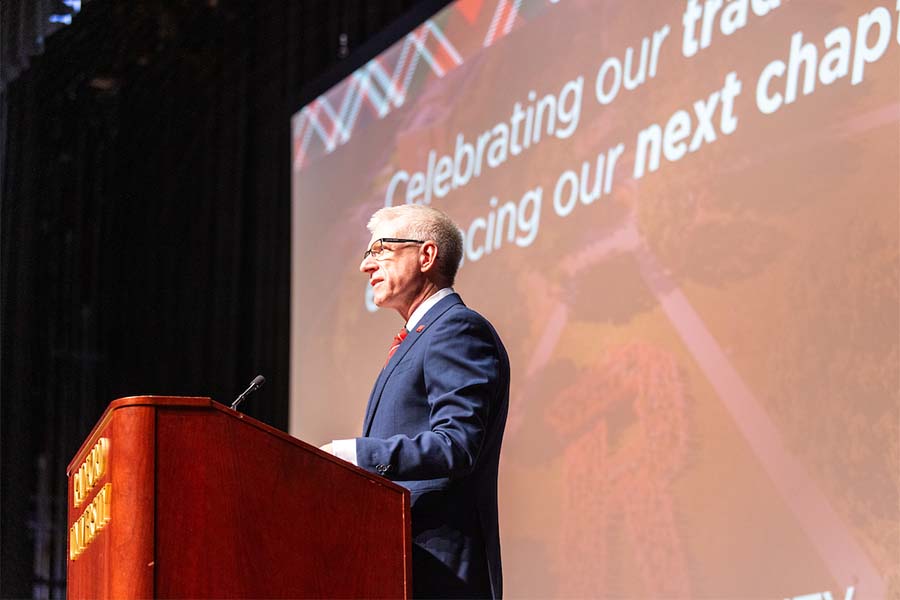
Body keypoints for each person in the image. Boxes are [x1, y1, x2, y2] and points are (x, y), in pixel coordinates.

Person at [321, 204, 509, 599]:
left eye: (380, 250)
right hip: (401, 564)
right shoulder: (421, 336)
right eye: (366, 253)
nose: (365, 266)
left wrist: (354, 455)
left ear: (426, 256)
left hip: (440, 572)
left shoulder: (456, 328)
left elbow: (457, 444)